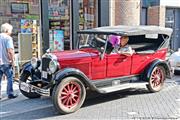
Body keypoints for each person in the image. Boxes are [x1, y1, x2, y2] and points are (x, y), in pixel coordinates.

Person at [0, 23, 18, 99]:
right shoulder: (8, 38)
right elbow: (10, 50)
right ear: (7, 30)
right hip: (6, 62)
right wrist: (13, 61)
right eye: (10, 30)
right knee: (10, 78)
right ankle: (10, 93)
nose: (11, 32)